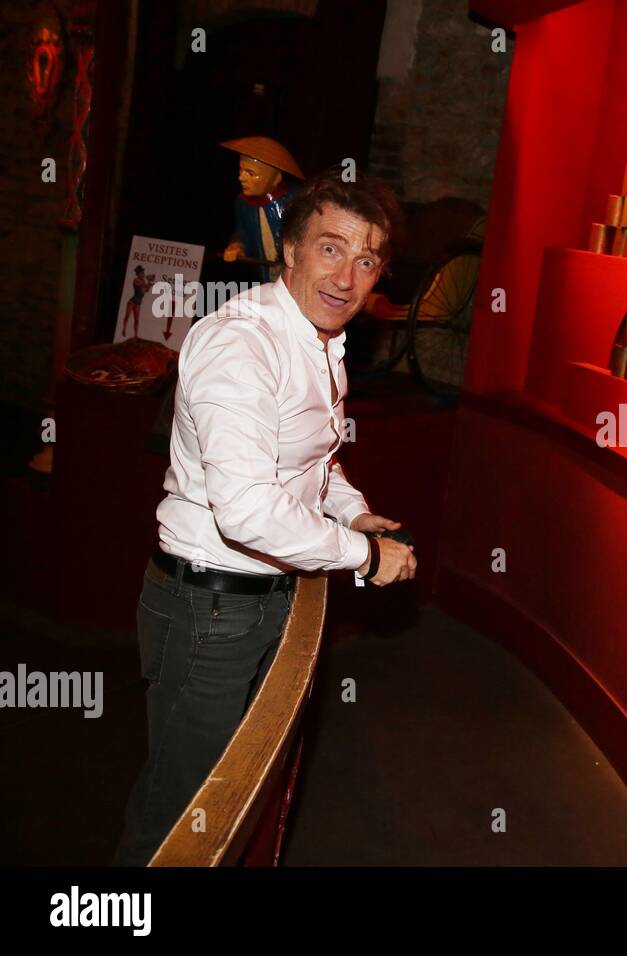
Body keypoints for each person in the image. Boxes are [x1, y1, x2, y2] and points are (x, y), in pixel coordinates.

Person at [113, 167, 416, 866]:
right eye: (331, 249)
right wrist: (363, 558)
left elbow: (311, 464)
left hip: (261, 600)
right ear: (290, 251)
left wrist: (357, 517)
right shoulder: (240, 344)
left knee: (227, 801)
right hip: (208, 610)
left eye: (367, 259)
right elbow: (248, 509)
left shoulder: (318, 341)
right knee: (181, 812)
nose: (347, 276)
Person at [219, 136, 304, 282]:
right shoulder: (242, 203)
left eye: (251, 173)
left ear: (276, 178)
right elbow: (243, 232)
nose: (241, 178)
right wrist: (237, 245)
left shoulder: (298, 200)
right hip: (265, 273)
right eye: (241, 170)